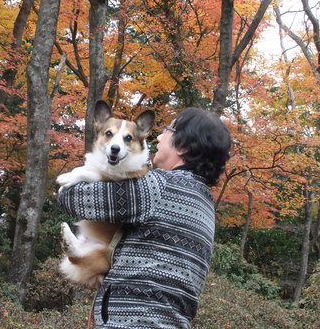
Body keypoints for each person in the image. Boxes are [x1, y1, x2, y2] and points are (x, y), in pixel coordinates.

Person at [58, 107, 231, 329]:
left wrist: (67, 185)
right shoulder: (205, 203)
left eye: (168, 130)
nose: (158, 136)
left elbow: (73, 199)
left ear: (183, 146)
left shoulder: (157, 187)